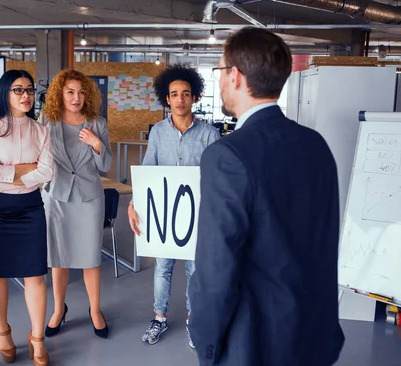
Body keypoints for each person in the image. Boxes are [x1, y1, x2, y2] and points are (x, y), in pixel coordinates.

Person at [188, 27, 345, 366]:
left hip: (256, 345)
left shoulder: (227, 155)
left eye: (219, 71)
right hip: (313, 336)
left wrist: (206, 345)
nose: (219, 81)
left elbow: (215, 271)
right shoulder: (315, 145)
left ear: (235, 77)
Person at [128, 63, 221, 348]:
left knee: (195, 270)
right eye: (174, 94)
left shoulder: (210, 133)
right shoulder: (157, 132)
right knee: (162, 268)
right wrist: (133, 203)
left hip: (196, 217)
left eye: (186, 93)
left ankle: (194, 322)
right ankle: (159, 317)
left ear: (194, 97)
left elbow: (217, 177)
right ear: (166, 99)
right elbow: (148, 169)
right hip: (164, 218)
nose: (180, 99)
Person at [0, 70, 53, 366]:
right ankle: (3, 332)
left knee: (35, 274)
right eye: (18, 90)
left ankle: (37, 339)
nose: (25, 96)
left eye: (30, 90)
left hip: (31, 207)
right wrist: (27, 167)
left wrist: (10, 169)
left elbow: (48, 172)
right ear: (5, 93)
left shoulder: (41, 130)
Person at [39, 69, 112, 339]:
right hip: (57, 196)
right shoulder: (47, 120)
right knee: (58, 258)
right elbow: (35, 153)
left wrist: (95, 144)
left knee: (91, 257)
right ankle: (59, 309)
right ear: (60, 94)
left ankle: (95, 310)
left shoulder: (98, 123)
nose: (76, 97)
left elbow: (105, 166)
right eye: (70, 91)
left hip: (89, 197)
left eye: (81, 92)